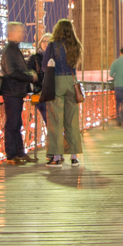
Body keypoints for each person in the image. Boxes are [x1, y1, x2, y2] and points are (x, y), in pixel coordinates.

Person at [44, 19, 83, 167]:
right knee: (72, 121)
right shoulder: (76, 45)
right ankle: (74, 157)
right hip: (72, 83)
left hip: (57, 82)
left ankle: (56, 157)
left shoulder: (53, 45)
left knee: (56, 121)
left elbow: (44, 66)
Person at [0, 22, 37, 166]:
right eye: (20, 31)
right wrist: (30, 77)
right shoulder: (9, 51)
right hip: (12, 92)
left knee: (17, 123)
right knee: (12, 124)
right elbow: (11, 72)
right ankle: (11, 155)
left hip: (16, 92)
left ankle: (20, 153)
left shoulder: (14, 50)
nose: (23, 34)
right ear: (11, 33)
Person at [27, 32, 52, 130]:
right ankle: (53, 143)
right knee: (49, 121)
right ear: (40, 43)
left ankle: (57, 142)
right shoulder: (34, 58)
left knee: (56, 122)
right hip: (40, 95)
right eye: (44, 41)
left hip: (56, 95)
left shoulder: (57, 59)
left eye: (49, 42)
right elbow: (27, 73)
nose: (46, 43)